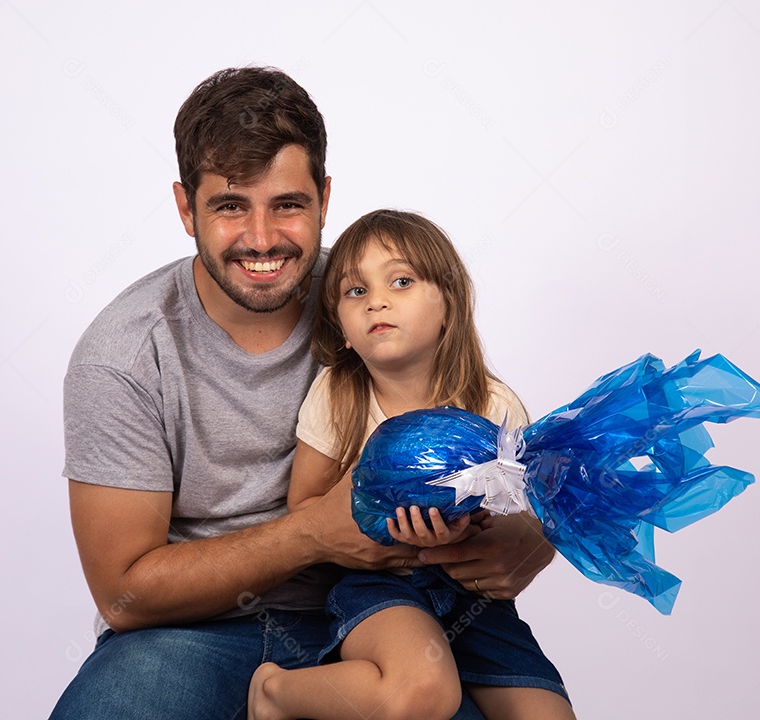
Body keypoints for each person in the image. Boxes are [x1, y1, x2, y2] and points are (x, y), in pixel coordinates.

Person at [50, 66, 556, 720]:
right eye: (230, 206)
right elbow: (124, 595)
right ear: (185, 208)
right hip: (185, 632)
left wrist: (531, 538)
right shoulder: (124, 353)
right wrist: (312, 534)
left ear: (323, 197)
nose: (262, 239)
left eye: (287, 205)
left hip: (392, 619)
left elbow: (487, 436)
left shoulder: (371, 297)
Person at [246, 210, 575, 720]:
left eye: (401, 281)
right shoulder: (338, 394)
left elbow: (521, 514)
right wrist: (376, 523)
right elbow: (304, 505)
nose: (376, 300)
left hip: (474, 595)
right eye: (356, 291)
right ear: (343, 329)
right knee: (422, 693)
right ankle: (275, 692)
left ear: (449, 306)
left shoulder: (492, 406)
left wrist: (471, 532)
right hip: (379, 585)